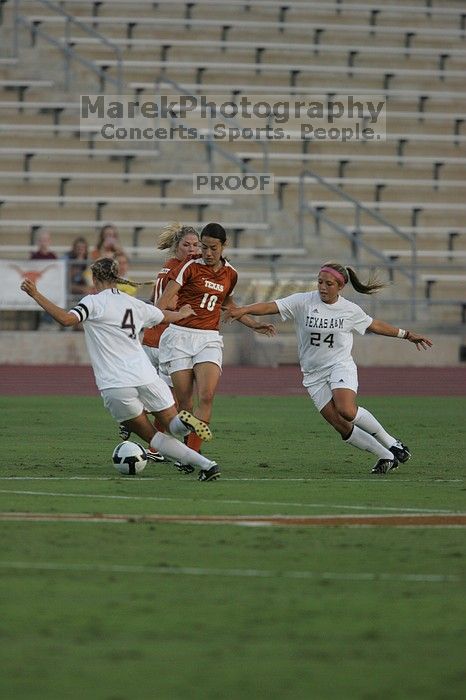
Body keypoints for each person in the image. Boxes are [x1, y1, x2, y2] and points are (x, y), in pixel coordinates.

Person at [20, 256, 222, 482]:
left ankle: (207, 464)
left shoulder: (93, 302)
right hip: (146, 375)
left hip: (116, 383)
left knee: (153, 437)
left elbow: (67, 320)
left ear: (95, 278)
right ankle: (191, 432)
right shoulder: (133, 303)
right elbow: (162, 315)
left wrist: (35, 294)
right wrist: (182, 314)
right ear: (117, 278)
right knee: (174, 426)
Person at [225, 261, 433, 475]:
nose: (323, 287)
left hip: (339, 366)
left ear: (340, 287)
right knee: (340, 424)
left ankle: (392, 443)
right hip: (313, 374)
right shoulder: (303, 301)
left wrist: (406, 335)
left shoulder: (349, 309)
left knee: (346, 410)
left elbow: (375, 325)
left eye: (329, 284)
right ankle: (385, 455)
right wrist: (244, 310)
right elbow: (271, 306)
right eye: (320, 282)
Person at [156, 222, 276, 472]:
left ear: (223, 246)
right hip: (179, 337)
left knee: (207, 395)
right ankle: (186, 452)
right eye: (204, 247)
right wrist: (178, 314)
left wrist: (253, 324)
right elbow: (162, 303)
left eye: (213, 248)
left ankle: (192, 454)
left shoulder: (230, 273)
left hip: (208, 338)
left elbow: (227, 304)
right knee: (185, 404)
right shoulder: (188, 267)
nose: (207, 253)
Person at [64, 236, 92, 303]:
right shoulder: (68, 259)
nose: (80, 250)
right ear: (74, 248)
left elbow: (90, 281)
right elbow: (65, 280)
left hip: (84, 287)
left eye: (82, 248)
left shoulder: (88, 261)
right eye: (78, 247)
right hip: (71, 287)